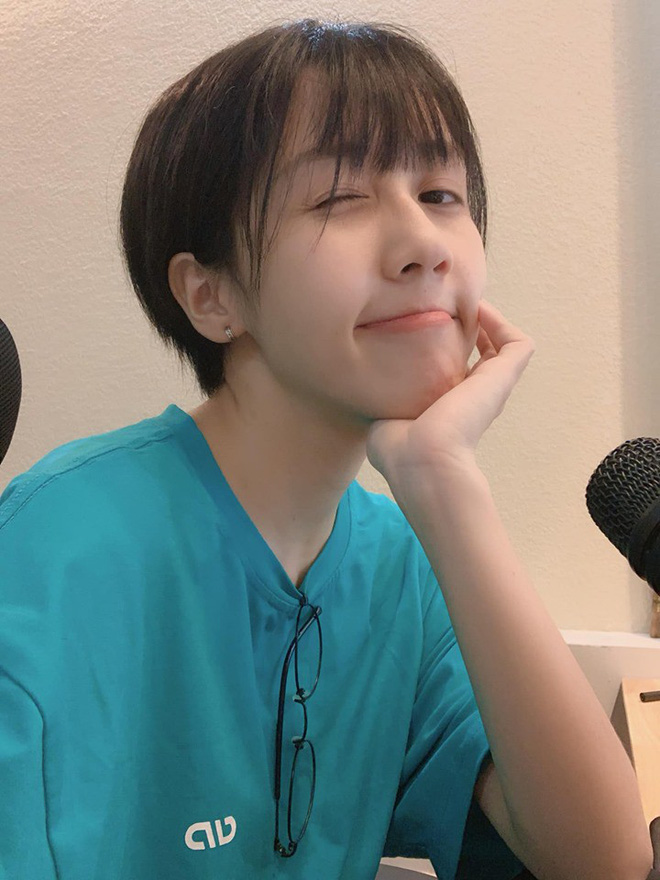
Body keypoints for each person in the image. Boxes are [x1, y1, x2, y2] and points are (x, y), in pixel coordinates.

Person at [0, 17, 653, 880]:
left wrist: (445, 483)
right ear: (211, 296)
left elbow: (602, 860)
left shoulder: (399, 562)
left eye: (441, 194)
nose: (423, 245)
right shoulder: (59, 548)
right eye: (340, 198)